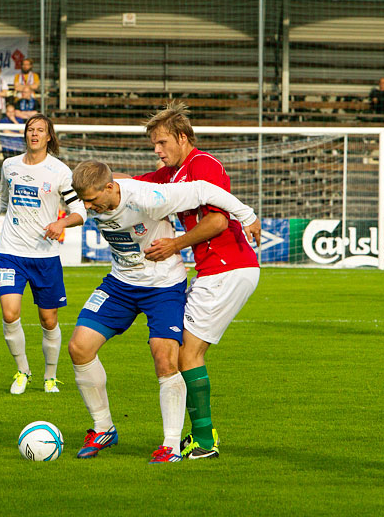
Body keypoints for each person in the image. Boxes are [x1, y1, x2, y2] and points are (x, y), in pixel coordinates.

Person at [68, 160, 259, 463]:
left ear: (110, 187)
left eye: (92, 200)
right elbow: (75, 206)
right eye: (84, 201)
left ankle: (170, 445)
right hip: (120, 283)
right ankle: (103, 428)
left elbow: (202, 189)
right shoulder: (89, 198)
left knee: (165, 357)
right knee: (79, 347)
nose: (88, 206)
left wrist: (246, 214)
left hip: (163, 286)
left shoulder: (147, 197)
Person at [132, 101, 261, 459]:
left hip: (228, 267)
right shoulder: (171, 174)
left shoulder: (203, 165)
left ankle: (204, 440)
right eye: (154, 146)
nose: (157, 152)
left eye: (162, 144)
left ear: (182, 137)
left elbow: (219, 221)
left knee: (187, 352)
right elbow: (134, 187)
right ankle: (201, 434)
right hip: (216, 270)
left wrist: (174, 244)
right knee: (183, 350)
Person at [0, 115, 86, 395]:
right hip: (11, 252)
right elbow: (0, 198)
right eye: (30, 130)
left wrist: (61, 223)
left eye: (40, 130)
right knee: (9, 312)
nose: (35, 135)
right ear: (25, 135)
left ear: (49, 136)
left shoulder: (60, 171)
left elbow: (81, 212)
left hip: (45, 256)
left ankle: (50, 377)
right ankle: (22, 371)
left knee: (48, 320)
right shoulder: (10, 165)